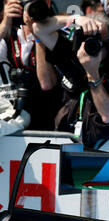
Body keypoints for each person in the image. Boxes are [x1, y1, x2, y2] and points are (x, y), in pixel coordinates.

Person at [30, 12, 109, 148]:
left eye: (99, 41)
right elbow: (38, 29)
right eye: (86, 39)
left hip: (103, 151)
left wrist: (92, 73)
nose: (91, 46)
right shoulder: (72, 54)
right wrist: (74, 19)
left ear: (108, 41)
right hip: (65, 143)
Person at [0, 0, 61, 131]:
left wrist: (38, 36)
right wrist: (4, 24)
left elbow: (47, 83)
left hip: (47, 118)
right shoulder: (8, 34)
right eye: (26, 2)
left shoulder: (56, 33)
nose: (30, 9)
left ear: (47, 3)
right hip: (12, 111)